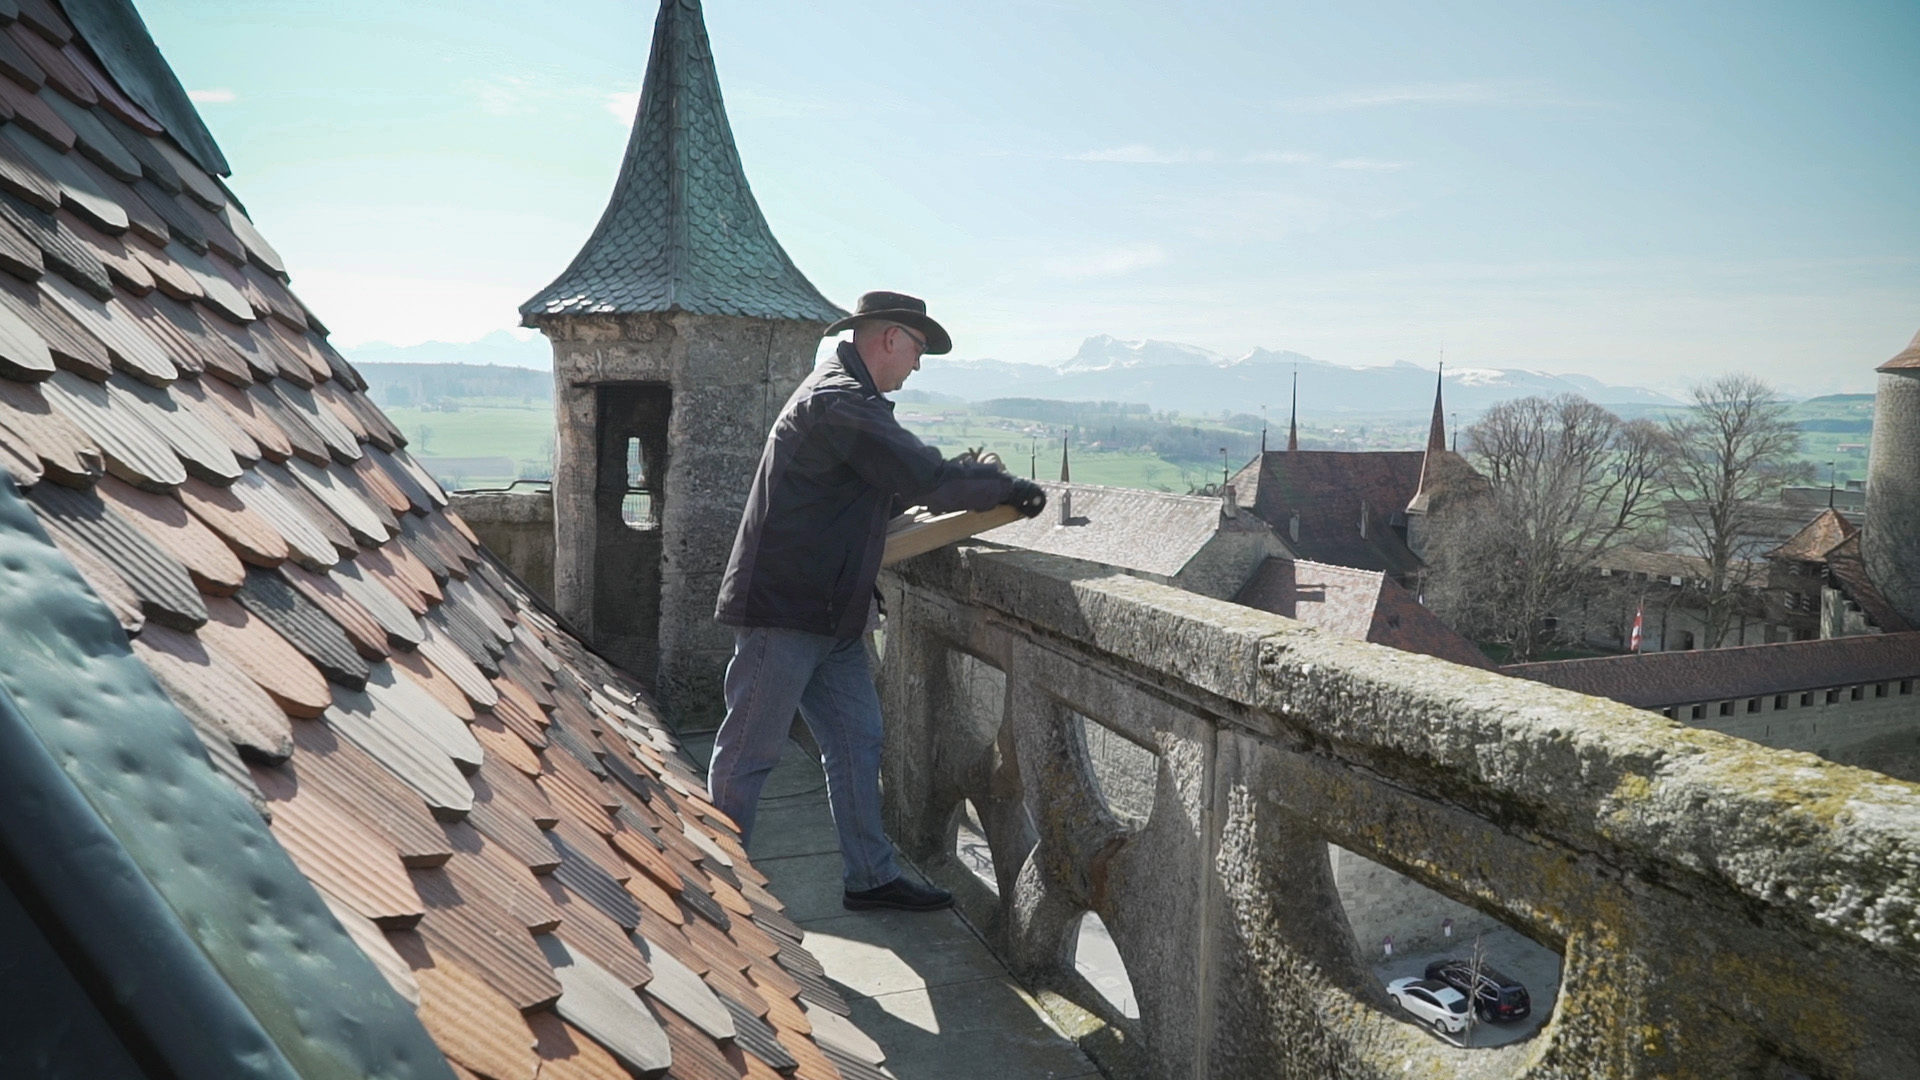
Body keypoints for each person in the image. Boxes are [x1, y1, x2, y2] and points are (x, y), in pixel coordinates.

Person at [710, 291, 1046, 912]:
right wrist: (1009, 490)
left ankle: (870, 876)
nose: (917, 366)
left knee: (859, 741)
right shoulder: (839, 402)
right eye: (918, 349)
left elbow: (877, 494)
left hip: (831, 613)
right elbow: (924, 477)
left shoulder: (849, 397)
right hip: (786, 612)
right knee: (749, 751)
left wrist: (965, 480)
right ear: (890, 337)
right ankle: (714, 890)